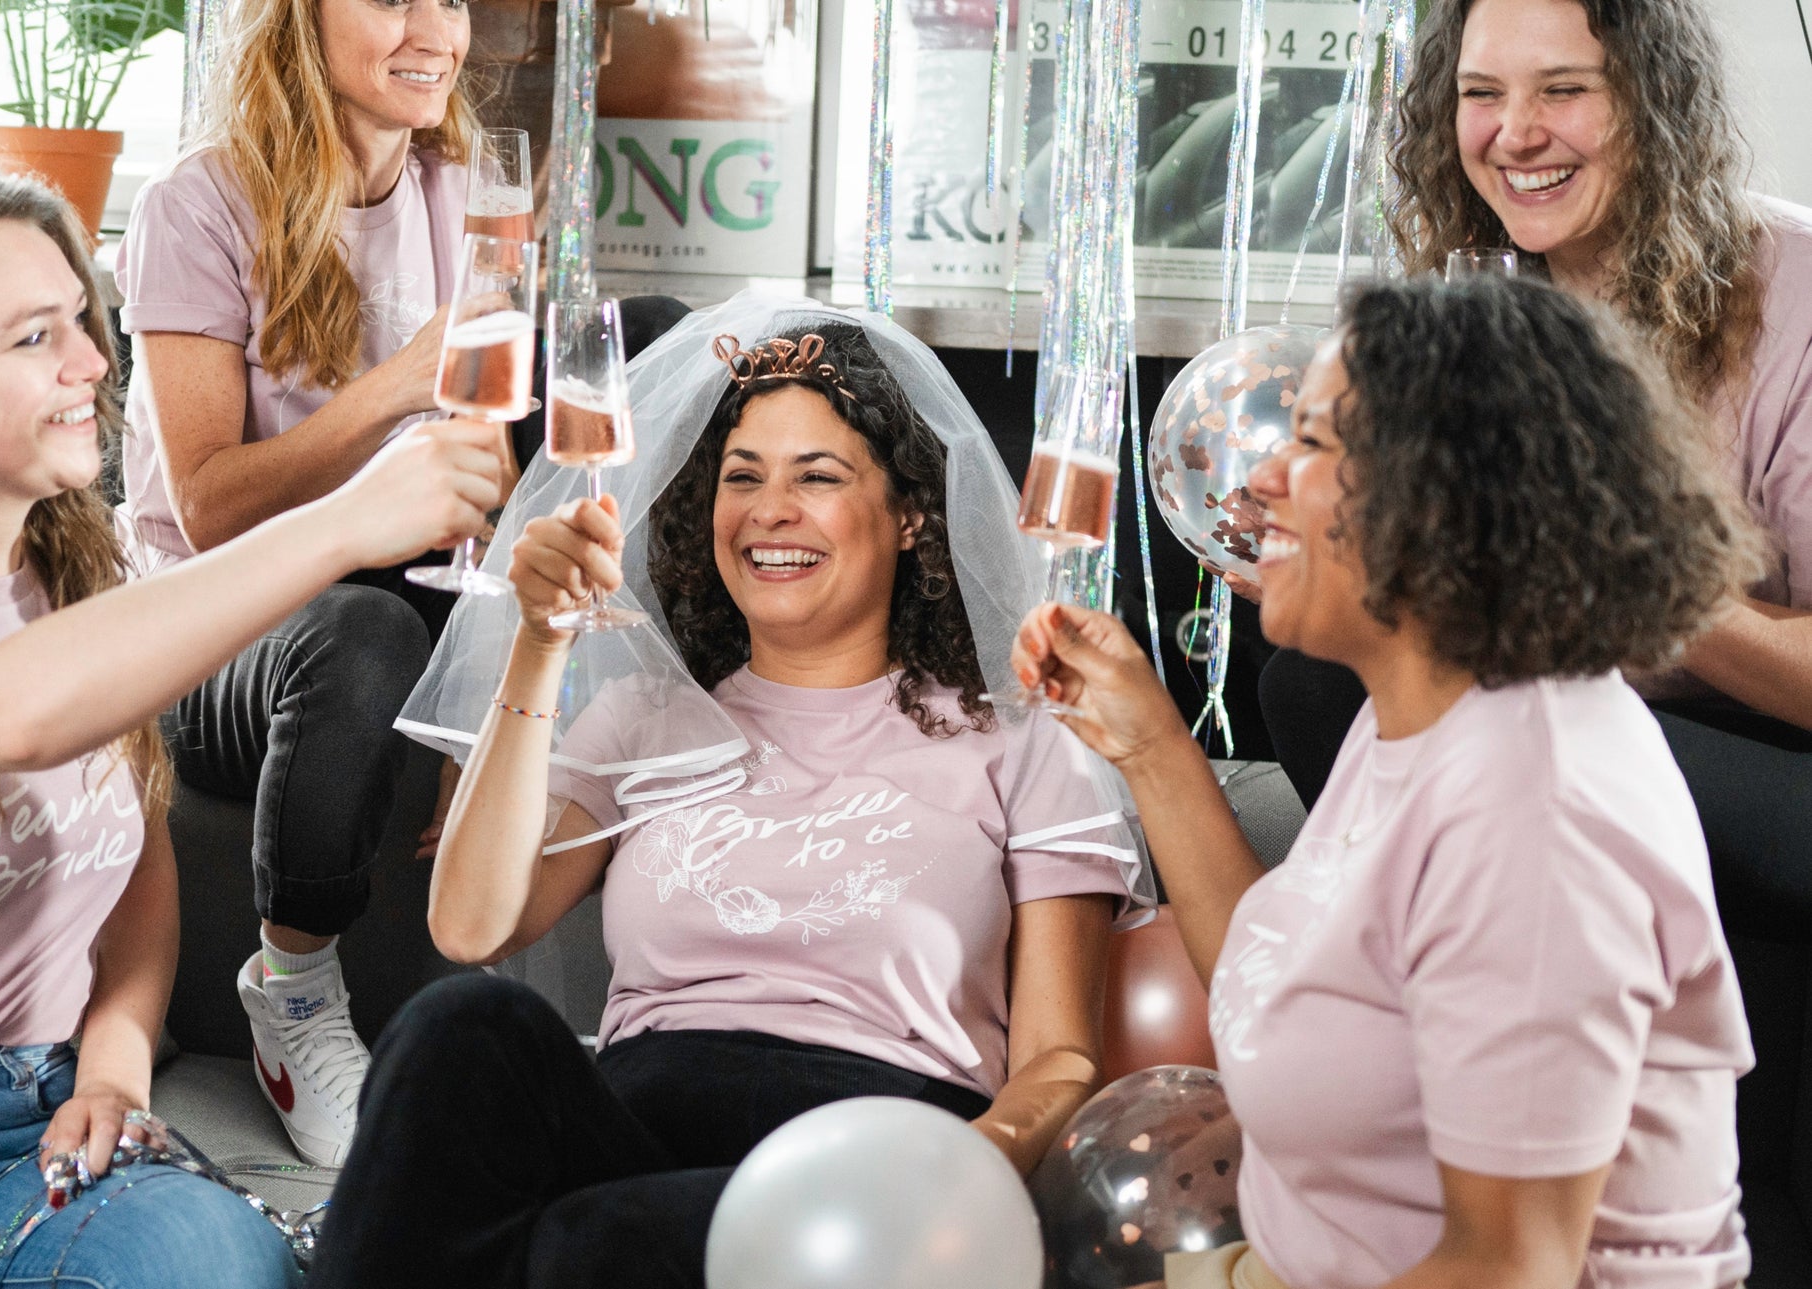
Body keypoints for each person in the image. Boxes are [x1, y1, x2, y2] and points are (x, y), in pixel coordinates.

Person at [310, 295, 1155, 1289]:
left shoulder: (1022, 738)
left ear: (910, 515)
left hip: (874, 1157)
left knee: (588, 1242)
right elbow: (470, 925)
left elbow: (1059, 1056)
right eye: (741, 475)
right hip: (632, 1119)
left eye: (818, 476)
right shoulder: (640, 714)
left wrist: (969, 1161)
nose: (767, 510)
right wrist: (539, 646)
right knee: (461, 1026)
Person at [1019, 277, 1760, 1289]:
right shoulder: (1422, 707)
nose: (1258, 480)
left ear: (1446, 498)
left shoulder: (1535, 814)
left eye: (1312, 443)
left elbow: (1507, 1269)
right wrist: (1147, 739)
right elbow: (1282, 978)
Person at [0, 169, 501, 1288]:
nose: (92, 364)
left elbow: (136, 856)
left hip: (32, 1124)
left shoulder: (68, 581)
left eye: (82, 319)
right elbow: (2, 711)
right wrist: (349, 520)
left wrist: (113, 1062)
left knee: (215, 1265)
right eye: (32, 337)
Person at [1251, 0, 1812, 947]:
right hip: (1568, 723)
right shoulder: (1477, 298)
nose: (1516, 133)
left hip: (1773, 756)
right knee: (1309, 681)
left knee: (1520, 754)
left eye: (1564, 89)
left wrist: (1621, 570)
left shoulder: (1792, 294)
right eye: (1482, 94)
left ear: (1653, 100)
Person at [115, 0, 491, 1163]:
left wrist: (484, 695)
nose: (435, 27)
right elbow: (210, 504)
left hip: (394, 577)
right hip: (215, 626)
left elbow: (490, 470)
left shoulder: (464, 191)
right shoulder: (196, 205)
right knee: (365, 635)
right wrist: (397, 382)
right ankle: (291, 987)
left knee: (652, 346)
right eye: (392, 0)